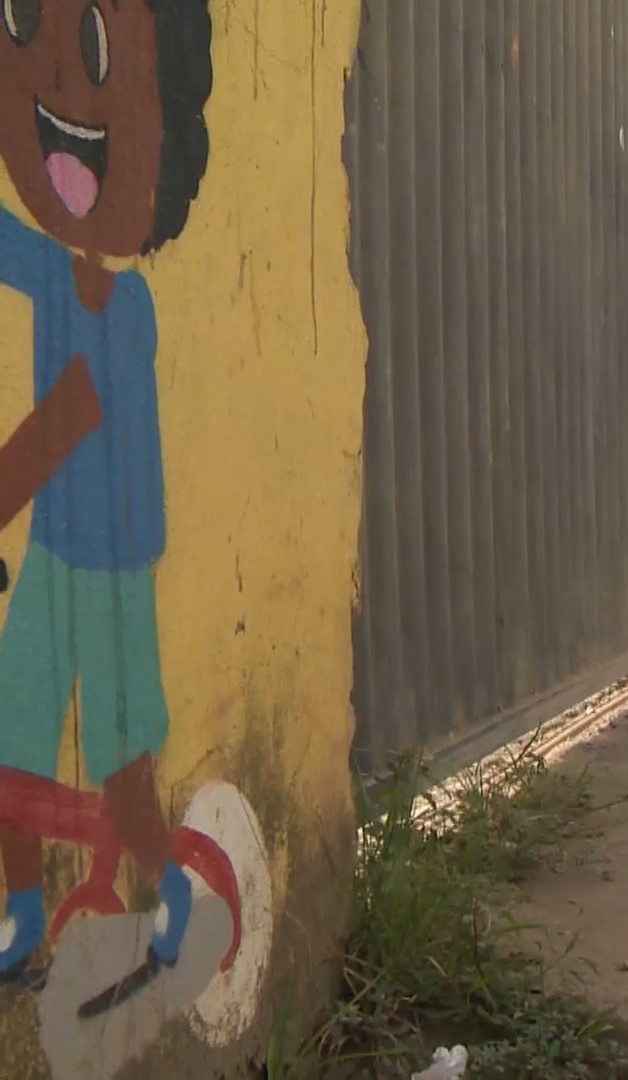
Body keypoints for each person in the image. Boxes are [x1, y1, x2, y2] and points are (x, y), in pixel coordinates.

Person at [0, 0, 217, 983]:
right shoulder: (54, 270)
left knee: (126, 770)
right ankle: (21, 907)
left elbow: (64, 421)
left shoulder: (123, 314)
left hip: (117, 568)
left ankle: (166, 888)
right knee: (14, 735)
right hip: (53, 552)